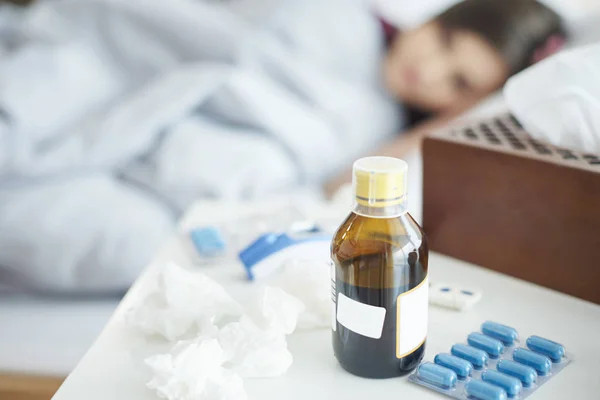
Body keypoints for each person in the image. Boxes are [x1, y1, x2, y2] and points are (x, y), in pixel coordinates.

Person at [325, 0, 566, 195]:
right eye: (444, 41)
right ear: (436, 17)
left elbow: (338, 193)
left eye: (459, 83)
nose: (429, 72)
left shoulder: (394, 135)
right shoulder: (342, 16)